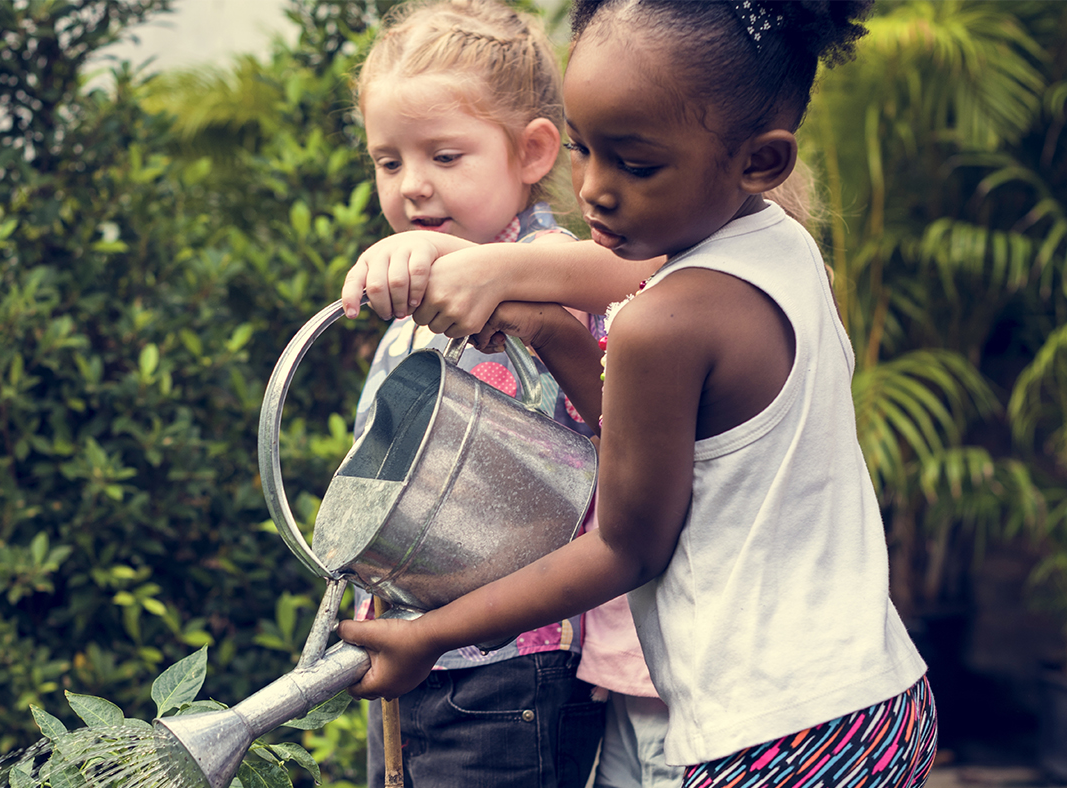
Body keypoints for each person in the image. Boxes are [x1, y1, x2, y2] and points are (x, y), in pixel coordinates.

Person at [338, 1, 940, 785]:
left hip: (774, 737)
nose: (594, 191)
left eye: (637, 164)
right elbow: (660, 446)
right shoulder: (784, 248)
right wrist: (551, 331)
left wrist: (432, 636)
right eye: (587, 151)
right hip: (877, 696)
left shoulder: (664, 322)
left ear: (760, 161)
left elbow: (627, 545)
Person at [344, 2, 605, 786]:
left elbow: (610, 422)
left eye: (445, 156)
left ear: (530, 153)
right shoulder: (413, 303)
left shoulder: (554, 263)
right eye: (388, 162)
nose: (413, 187)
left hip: (511, 664)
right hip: (415, 652)